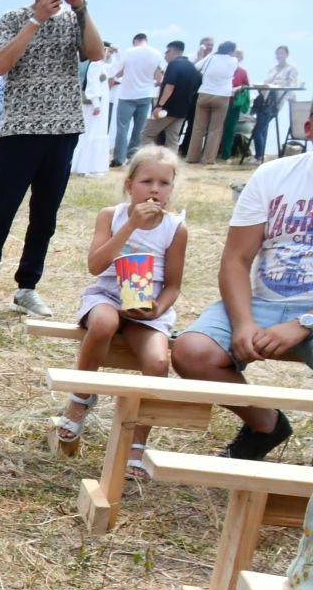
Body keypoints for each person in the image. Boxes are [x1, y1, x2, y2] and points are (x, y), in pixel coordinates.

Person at [0, 0, 103, 321]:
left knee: (45, 216)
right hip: (20, 128)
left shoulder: (75, 18)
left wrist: (82, 8)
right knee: (2, 212)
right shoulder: (13, 17)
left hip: (63, 127)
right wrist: (36, 20)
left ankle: (27, 287)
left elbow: (96, 53)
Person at [171, 141, 313, 459]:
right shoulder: (273, 175)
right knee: (193, 352)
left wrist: (305, 322)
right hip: (265, 301)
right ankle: (266, 424)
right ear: (309, 128)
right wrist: (243, 321)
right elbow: (236, 259)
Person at [55, 147, 188, 476]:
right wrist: (130, 227)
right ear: (129, 185)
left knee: (158, 361)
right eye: (146, 181)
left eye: (164, 183)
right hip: (108, 294)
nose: (155, 190)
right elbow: (95, 265)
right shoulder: (111, 215)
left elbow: (173, 284)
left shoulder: (175, 228)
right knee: (102, 323)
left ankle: (138, 438)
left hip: (147, 306)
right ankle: (79, 401)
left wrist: (158, 307)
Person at [142, 40, 201, 153]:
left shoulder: (174, 65)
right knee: (173, 140)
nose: (165, 55)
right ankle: (172, 166)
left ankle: (153, 159)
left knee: (146, 134)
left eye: (167, 51)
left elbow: (169, 87)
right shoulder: (192, 67)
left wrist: (159, 105)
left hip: (167, 109)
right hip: (183, 110)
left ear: (173, 51)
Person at [112, 33, 162, 165]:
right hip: (146, 94)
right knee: (139, 129)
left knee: (122, 127)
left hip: (127, 94)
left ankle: (119, 158)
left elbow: (117, 72)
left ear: (135, 41)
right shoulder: (156, 53)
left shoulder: (129, 52)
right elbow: (158, 77)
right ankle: (133, 157)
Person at [191, 41, 239, 165]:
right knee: (215, 129)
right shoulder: (233, 61)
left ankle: (192, 157)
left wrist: (210, 53)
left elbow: (196, 67)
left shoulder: (211, 58)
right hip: (222, 95)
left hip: (204, 93)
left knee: (198, 128)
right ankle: (208, 159)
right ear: (231, 51)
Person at [253, 45, 301, 162]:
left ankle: (259, 156)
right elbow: (266, 82)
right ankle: (259, 155)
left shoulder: (291, 68)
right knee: (261, 128)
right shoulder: (273, 68)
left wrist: (291, 98)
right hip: (264, 100)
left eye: (282, 53)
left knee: (258, 129)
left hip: (276, 101)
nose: (280, 55)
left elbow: (293, 85)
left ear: (286, 54)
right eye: (278, 53)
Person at [71, 51, 113, 176]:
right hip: (94, 104)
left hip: (101, 104)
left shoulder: (101, 65)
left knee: (97, 132)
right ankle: (85, 167)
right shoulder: (94, 64)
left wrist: (115, 55)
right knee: (90, 133)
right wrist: (96, 103)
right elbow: (92, 83)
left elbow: (114, 68)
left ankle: (91, 166)